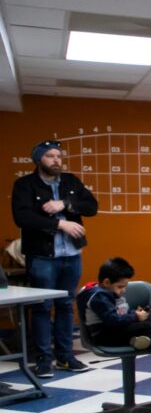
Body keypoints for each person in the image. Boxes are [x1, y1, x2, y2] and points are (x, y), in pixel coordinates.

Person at [12, 139, 98, 377]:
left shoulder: (70, 181)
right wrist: (60, 224)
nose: (56, 160)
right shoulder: (25, 185)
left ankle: (65, 357)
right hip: (42, 256)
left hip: (71, 254)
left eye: (58, 156)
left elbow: (92, 207)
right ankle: (43, 359)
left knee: (65, 306)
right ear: (39, 159)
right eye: (50, 156)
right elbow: (23, 218)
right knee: (42, 307)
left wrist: (65, 203)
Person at [82, 257, 151, 371]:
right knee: (146, 326)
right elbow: (113, 320)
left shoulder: (111, 293)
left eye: (125, 286)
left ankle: (140, 341)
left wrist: (134, 313)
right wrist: (135, 316)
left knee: (148, 323)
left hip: (117, 331)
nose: (124, 290)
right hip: (104, 336)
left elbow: (121, 314)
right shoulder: (99, 297)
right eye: (120, 286)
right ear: (106, 282)